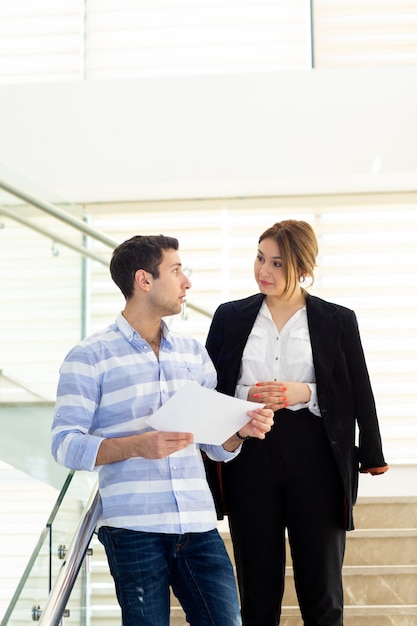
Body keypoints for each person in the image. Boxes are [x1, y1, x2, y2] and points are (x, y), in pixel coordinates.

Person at [51, 234, 274, 626]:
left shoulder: (192, 354)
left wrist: (241, 430)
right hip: (133, 529)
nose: (186, 282)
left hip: (198, 524)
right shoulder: (89, 357)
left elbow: (217, 446)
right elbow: (65, 445)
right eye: (176, 270)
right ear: (144, 280)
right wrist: (136, 446)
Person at [205, 220, 389, 626]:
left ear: (302, 268)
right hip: (250, 457)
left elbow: (357, 389)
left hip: (317, 459)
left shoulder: (337, 319)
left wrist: (302, 392)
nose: (263, 271)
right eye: (259, 258)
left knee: (322, 593)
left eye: (277, 263)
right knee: (256, 593)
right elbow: (209, 389)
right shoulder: (229, 317)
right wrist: (247, 396)